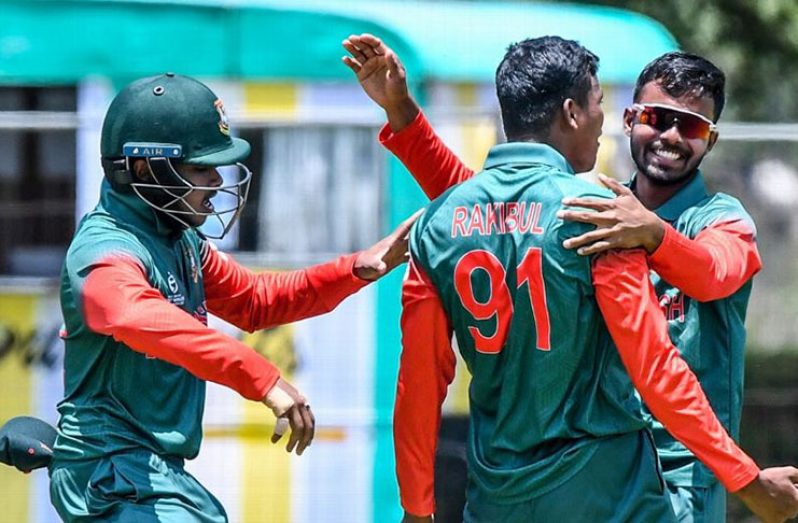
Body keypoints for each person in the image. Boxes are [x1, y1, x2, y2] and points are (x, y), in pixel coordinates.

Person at [344, 35, 798, 523]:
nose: (668, 135)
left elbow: (713, 274)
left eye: (689, 126)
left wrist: (654, 236)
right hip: (611, 482)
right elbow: (493, 209)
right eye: (653, 118)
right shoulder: (592, 211)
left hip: (682, 471)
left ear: (711, 140)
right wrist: (405, 118)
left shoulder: (721, 219)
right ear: (625, 121)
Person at [49, 73, 415, 522]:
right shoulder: (105, 252)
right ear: (146, 170)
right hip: (108, 474)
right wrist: (261, 378)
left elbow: (255, 301)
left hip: (147, 473)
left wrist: (356, 267)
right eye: (202, 167)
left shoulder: (176, 238)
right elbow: (135, 316)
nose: (218, 179)